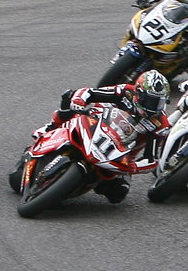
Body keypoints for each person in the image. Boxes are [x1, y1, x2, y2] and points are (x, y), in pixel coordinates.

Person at [35, 72, 170, 202]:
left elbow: (151, 159)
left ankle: (82, 183)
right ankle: (51, 128)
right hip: (96, 125)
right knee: (68, 97)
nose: (153, 107)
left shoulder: (159, 124)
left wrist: (133, 167)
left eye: (158, 102)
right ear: (138, 93)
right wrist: (79, 101)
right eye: (150, 101)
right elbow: (91, 92)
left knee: (118, 194)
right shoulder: (125, 91)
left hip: (120, 154)